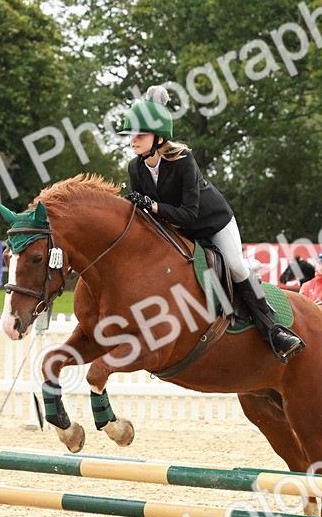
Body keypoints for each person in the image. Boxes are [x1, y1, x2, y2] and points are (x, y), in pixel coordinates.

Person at [120, 86, 305, 363]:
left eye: (140, 134)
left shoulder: (183, 161)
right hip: (178, 229)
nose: (133, 140)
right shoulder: (135, 167)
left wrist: (154, 206)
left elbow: (190, 214)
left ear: (158, 138)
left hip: (212, 223)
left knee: (235, 265)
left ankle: (274, 331)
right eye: (131, 134)